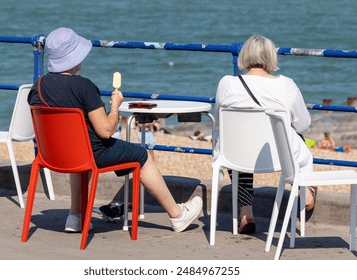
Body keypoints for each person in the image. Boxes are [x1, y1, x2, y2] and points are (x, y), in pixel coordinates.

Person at [28, 27, 202, 233]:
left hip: (54, 155)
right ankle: (177, 214)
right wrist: (115, 105)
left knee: (78, 150)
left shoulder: (37, 86)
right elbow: (106, 131)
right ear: (73, 58)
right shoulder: (83, 87)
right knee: (142, 155)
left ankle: (75, 217)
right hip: (92, 154)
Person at [214, 34, 317, 234]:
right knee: (298, 139)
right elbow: (303, 124)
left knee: (238, 142)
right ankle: (305, 193)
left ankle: (246, 213)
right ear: (272, 57)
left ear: (244, 55)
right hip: (279, 157)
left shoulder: (226, 84)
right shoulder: (286, 85)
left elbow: (218, 120)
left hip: (237, 155)